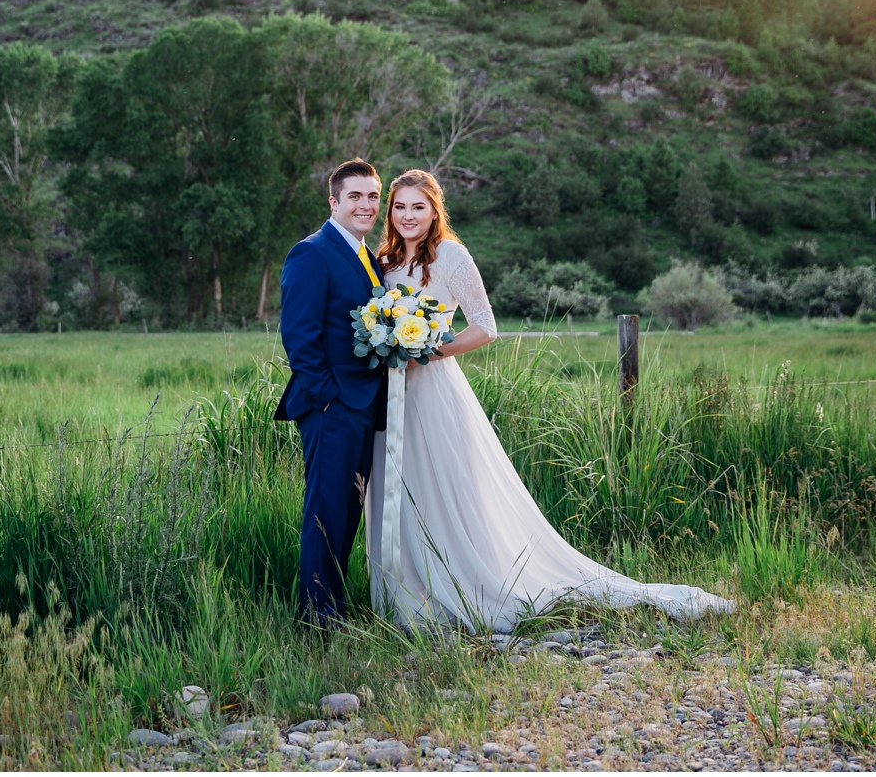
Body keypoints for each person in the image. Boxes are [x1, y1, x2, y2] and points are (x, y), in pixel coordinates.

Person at [365, 169, 735, 631]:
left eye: (418, 206)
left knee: (446, 490)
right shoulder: (383, 258)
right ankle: (406, 593)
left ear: (435, 210)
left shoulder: (452, 255)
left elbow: (485, 325)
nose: (407, 215)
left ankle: (464, 583)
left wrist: (431, 349)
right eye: (399, 207)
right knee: (401, 488)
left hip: (435, 388)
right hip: (392, 394)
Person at [275, 158, 389, 628]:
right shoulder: (312, 253)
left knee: (347, 510)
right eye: (355, 196)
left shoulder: (367, 256)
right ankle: (316, 616)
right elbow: (299, 337)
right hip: (331, 406)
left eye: (372, 197)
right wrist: (328, 399)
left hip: (365, 404)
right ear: (334, 202)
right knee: (324, 510)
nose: (366, 205)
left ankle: (335, 605)